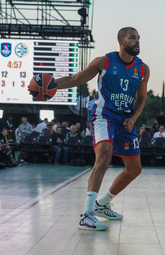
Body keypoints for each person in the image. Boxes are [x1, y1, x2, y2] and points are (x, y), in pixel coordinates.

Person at [42, 27, 150, 231]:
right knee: (104, 156)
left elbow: (141, 99)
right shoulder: (105, 62)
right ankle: (87, 215)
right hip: (103, 115)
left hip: (125, 119)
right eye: (132, 37)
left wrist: (133, 118)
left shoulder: (143, 69)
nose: (137, 41)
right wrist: (52, 84)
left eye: (139, 38)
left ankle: (102, 204)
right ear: (121, 41)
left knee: (134, 169)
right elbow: (75, 79)